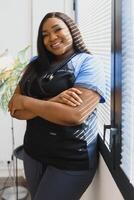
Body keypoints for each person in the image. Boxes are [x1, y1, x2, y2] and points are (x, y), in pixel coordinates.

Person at [8, 12, 106, 200]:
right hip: (33, 154)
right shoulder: (35, 64)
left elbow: (74, 116)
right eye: (44, 34)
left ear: (71, 30)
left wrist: (26, 101)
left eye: (57, 29)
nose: (52, 38)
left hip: (70, 160)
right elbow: (15, 109)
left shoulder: (89, 63)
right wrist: (53, 101)